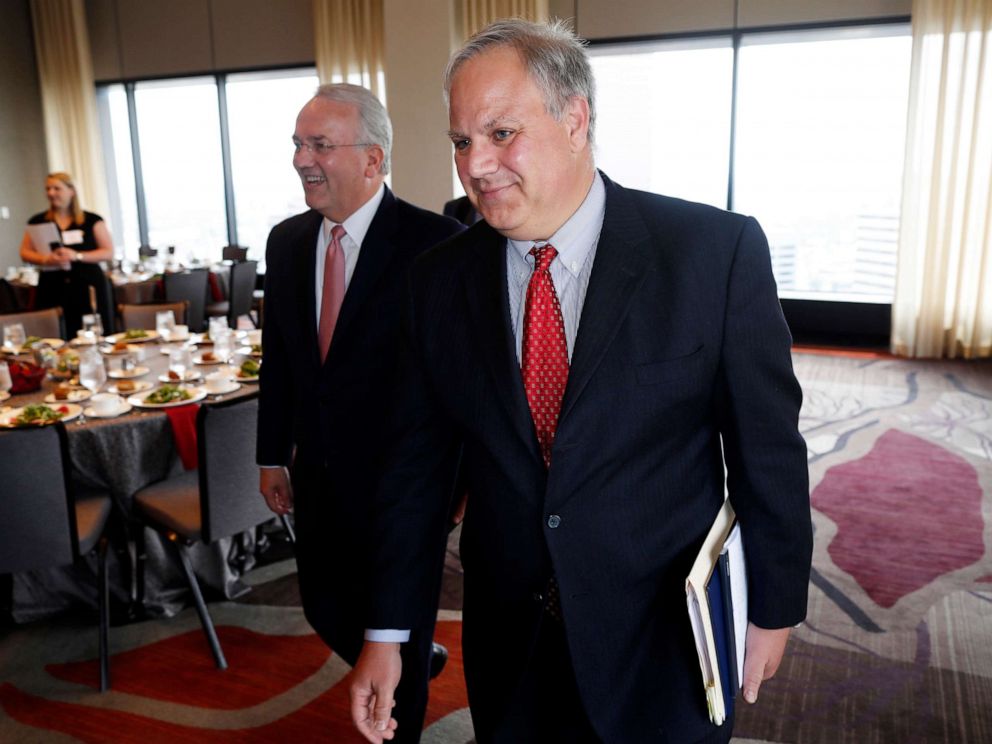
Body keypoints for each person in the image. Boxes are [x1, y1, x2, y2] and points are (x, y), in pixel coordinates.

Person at [349, 19, 813, 744]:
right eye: (462, 142)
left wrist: (773, 607)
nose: (476, 165)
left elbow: (769, 453)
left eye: (501, 133)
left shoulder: (710, 254)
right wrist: (385, 632)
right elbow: (416, 473)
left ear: (575, 119)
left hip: (663, 638)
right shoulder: (436, 282)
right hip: (511, 636)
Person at [256, 83, 464, 743]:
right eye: (297, 143)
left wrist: (459, 483)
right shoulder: (287, 242)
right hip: (315, 471)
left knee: (396, 613)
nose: (301, 158)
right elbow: (280, 358)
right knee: (324, 606)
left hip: (405, 481)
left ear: (373, 161)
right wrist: (270, 453)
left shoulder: (437, 244)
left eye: (320, 144)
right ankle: (407, 658)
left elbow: (456, 381)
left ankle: (395, 723)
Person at [19, 172, 114, 337]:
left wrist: (76, 255)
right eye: (48, 189)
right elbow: (24, 252)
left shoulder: (91, 220)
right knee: (54, 334)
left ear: (71, 191)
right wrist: (46, 259)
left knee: (93, 332)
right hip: (52, 286)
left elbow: (108, 251)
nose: (51, 193)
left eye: (57, 188)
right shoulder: (37, 221)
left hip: (87, 284)